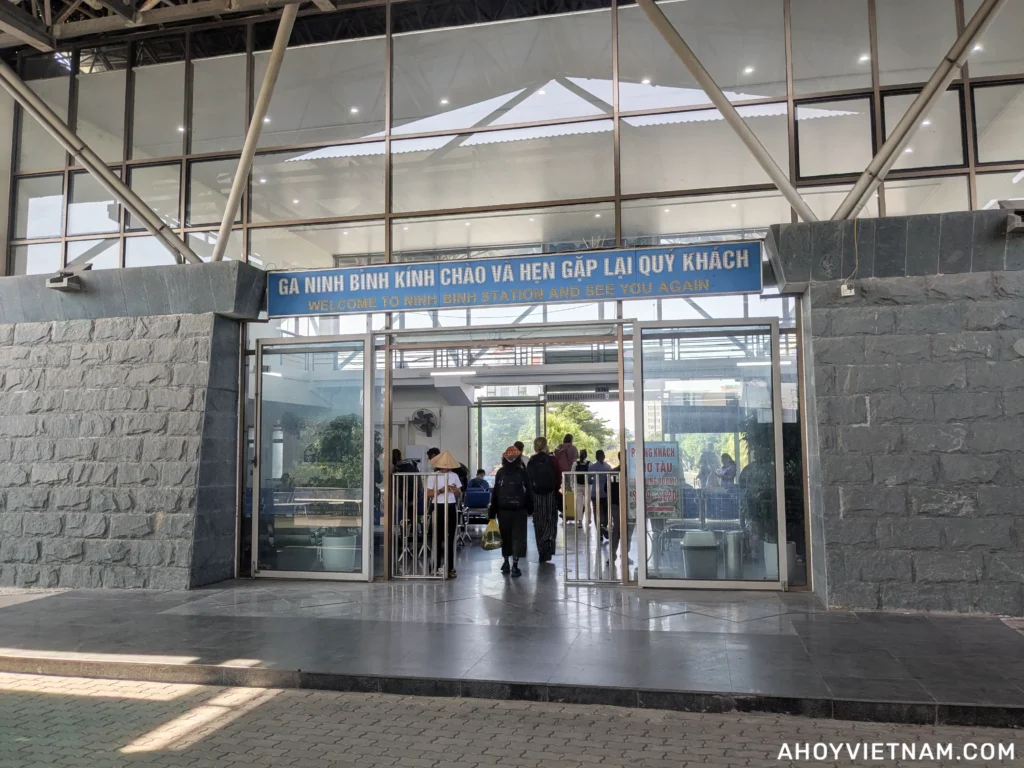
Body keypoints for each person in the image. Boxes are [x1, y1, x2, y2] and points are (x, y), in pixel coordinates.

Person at [489, 445, 533, 577]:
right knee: (517, 537)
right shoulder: (522, 472)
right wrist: (531, 508)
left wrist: (492, 511)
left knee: (505, 536)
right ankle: (515, 565)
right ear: (519, 458)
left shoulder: (501, 472)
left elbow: (495, 493)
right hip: (519, 510)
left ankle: (505, 562)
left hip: (503, 510)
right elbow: (529, 492)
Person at [424, 449, 462, 578]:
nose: (446, 468)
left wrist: (455, 490)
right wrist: (441, 490)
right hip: (438, 506)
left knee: (451, 538)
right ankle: (435, 566)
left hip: (451, 506)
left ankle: (451, 567)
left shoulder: (454, 476)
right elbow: (428, 494)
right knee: (437, 537)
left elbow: (459, 494)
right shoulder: (433, 476)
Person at [527, 437, 561, 562]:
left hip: (537, 496)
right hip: (550, 494)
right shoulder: (552, 460)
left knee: (539, 521)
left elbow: (529, 479)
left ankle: (541, 549)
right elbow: (558, 476)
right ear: (546, 446)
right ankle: (549, 543)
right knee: (551, 520)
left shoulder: (532, 461)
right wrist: (555, 489)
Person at [589, 449, 613, 540]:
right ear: (603, 456)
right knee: (606, 513)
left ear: (596, 457)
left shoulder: (592, 467)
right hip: (606, 493)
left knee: (597, 513)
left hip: (595, 493)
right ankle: (604, 528)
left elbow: (588, 480)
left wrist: (595, 481)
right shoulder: (608, 467)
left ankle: (600, 532)